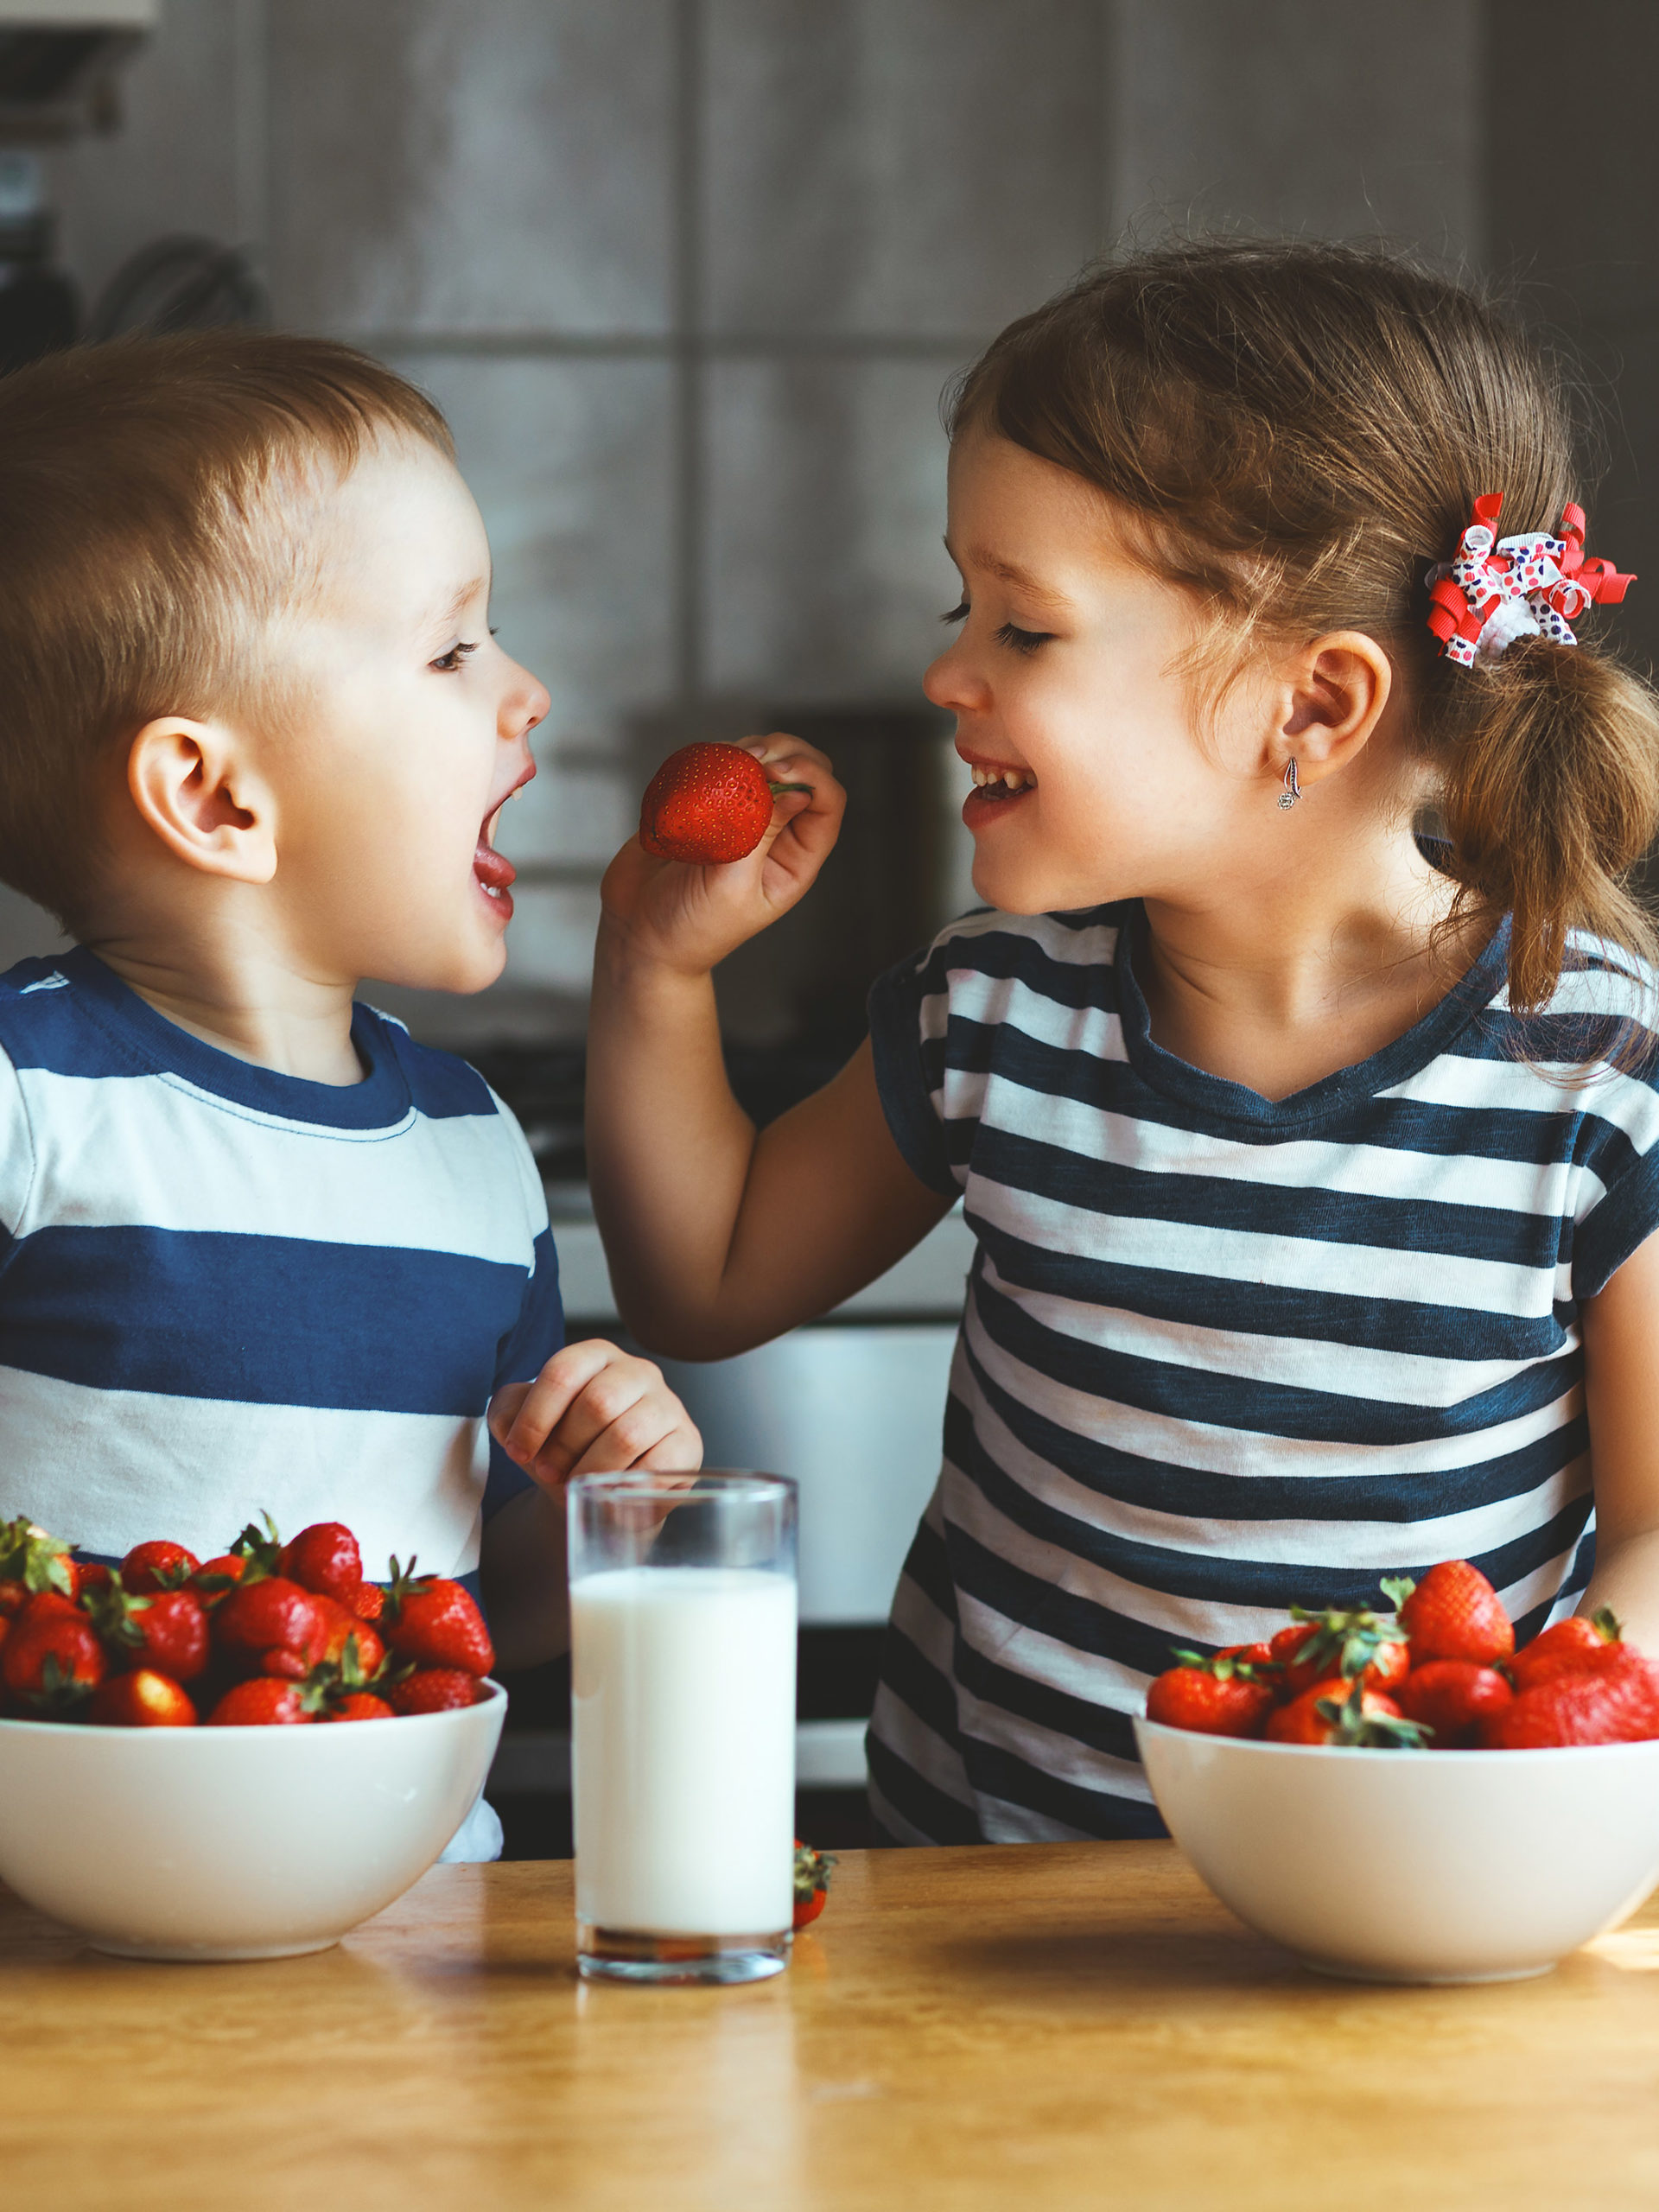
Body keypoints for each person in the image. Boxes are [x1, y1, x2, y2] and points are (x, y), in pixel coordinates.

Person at [583, 238, 1659, 1846]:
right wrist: (655, 969)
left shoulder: (1593, 1074)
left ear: (1315, 705)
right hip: (982, 1911)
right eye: (967, 604)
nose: (948, 672)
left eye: (1025, 628)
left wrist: (1498, 1787)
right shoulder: (997, 1012)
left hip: (1386, 1913)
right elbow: (706, 1279)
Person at [0, 332, 701, 1853]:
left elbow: (474, 1622)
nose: (526, 693)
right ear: (215, 796)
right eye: (453, 651)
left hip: (414, 1948)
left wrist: (601, 1522)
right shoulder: (27, 1103)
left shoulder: (471, 1154)